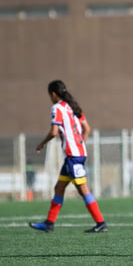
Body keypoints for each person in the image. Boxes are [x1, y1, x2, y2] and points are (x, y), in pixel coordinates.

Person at [29, 80, 107, 233]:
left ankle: (101, 222)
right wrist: (80, 144)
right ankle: (49, 223)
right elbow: (87, 128)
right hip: (76, 154)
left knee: (83, 189)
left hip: (73, 156)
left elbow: (53, 132)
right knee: (59, 188)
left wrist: (42, 144)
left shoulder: (57, 108)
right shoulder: (73, 107)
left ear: (53, 94)